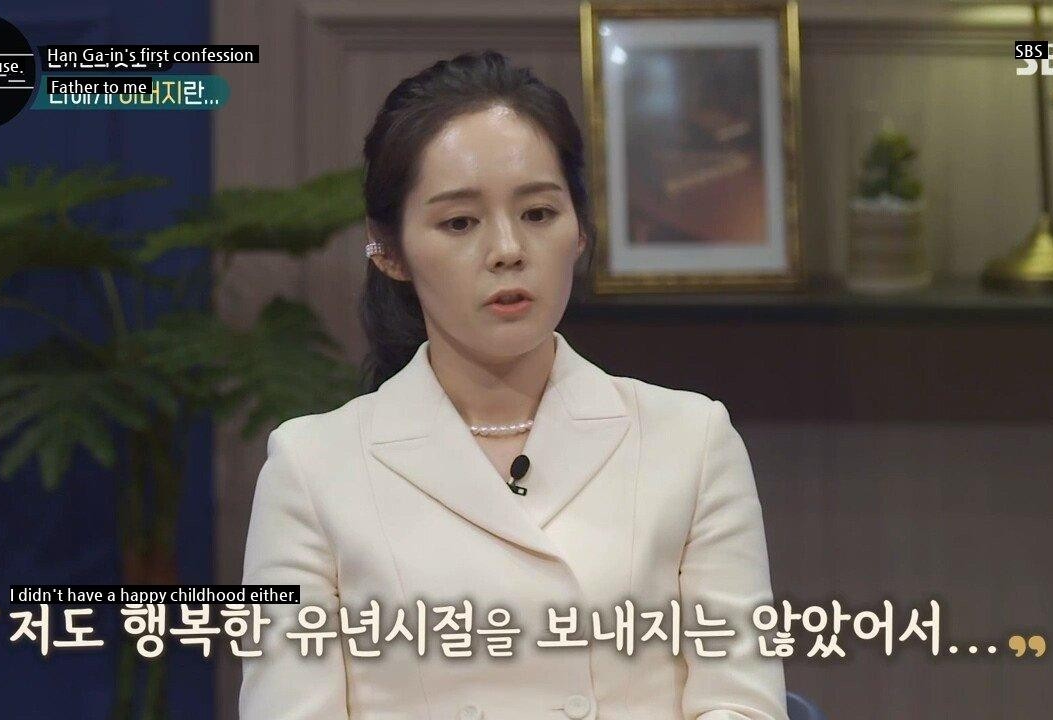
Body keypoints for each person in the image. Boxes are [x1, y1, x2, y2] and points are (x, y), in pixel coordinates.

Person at [240, 50, 787, 720]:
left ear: (579, 229)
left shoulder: (691, 442)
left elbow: (742, 703)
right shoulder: (312, 469)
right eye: (459, 222)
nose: (507, 249)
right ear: (389, 250)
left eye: (538, 213)